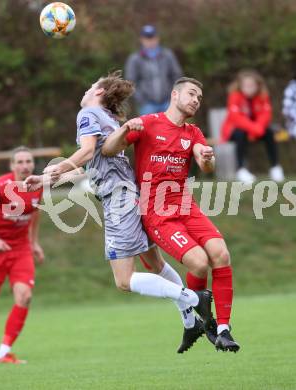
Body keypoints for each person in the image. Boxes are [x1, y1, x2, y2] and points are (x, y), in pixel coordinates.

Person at [25, 71, 216, 354]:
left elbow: (88, 153)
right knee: (156, 264)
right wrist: (44, 179)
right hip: (132, 195)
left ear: (99, 92)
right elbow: (88, 167)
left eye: (91, 86)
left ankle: (192, 298)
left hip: (119, 200)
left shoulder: (88, 113)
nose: (87, 90)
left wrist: (60, 166)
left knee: (124, 281)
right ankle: (190, 323)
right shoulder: (110, 120)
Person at [102, 77, 240, 352]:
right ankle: (205, 322)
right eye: (191, 94)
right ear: (174, 95)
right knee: (199, 263)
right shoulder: (148, 123)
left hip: (185, 205)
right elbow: (108, 149)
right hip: (156, 211)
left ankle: (223, 328)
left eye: (199, 98)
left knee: (221, 254)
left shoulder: (193, 133)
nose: (196, 100)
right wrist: (126, 128)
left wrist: (207, 157)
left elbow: (204, 161)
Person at [0, 146, 44, 364]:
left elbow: (35, 212)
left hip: (20, 249)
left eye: (29, 161)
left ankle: (3, 353)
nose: (25, 165)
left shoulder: (37, 185)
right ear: (12, 166)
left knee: (24, 296)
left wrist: (34, 243)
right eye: (20, 162)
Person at [221, 70, 285, 183]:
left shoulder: (263, 96)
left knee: (269, 132)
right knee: (241, 133)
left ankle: (275, 167)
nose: (249, 88)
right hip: (234, 131)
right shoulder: (234, 96)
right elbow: (236, 118)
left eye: (252, 85)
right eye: (246, 86)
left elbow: (265, 115)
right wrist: (254, 129)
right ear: (240, 86)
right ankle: (241, 170)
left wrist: (257, 129)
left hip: (256, 131)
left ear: (258, 86)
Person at [125, 25, 183, 116]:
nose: (150, 41)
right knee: (149, 129)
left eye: (152, 38)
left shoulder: (167, 55)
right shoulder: (135, 59)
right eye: (147, 38)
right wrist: (141, 99)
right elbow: (130, 82)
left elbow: (176, 75)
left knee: (170, 129)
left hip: (168, 102)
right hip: (147, 105)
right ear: (142, 39)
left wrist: (173, 95)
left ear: (157, 38)